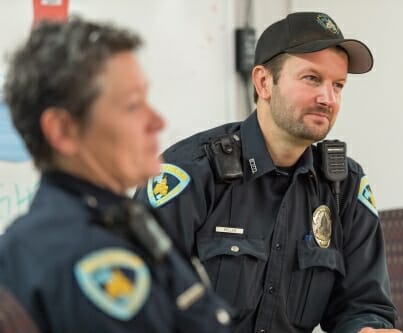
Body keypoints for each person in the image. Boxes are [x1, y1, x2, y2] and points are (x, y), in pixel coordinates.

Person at [135, 11, 400, 333]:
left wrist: (367, 328)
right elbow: (135, 302)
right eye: (312, 78)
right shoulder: (192, 172)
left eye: (338, 85)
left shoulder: (343, 185)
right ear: (264, 82)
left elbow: (362, 304)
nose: (327, 98)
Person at [0, 17, 231, 333]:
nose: (157, 121)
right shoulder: (84, 254)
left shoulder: (113, 220)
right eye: (133, 106)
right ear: (63, 130)